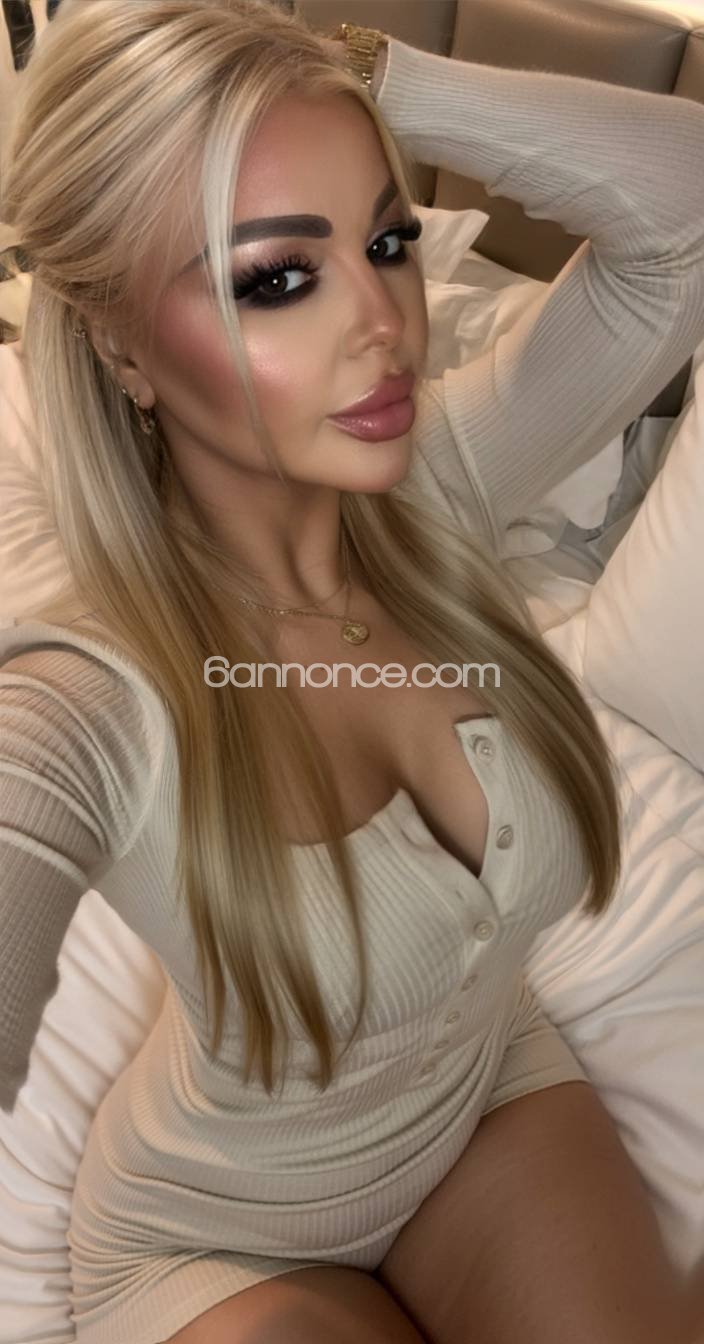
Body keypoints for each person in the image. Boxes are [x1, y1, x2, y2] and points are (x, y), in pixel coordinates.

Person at [1, 2, 703, 1340]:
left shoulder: (436, 488)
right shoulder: (83, 698)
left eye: (386, 243)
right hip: (215, 1234)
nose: (386, 323)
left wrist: (361, 74)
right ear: (120, 345)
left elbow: (683, 219)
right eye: (278, 277)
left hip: (487, 1092)